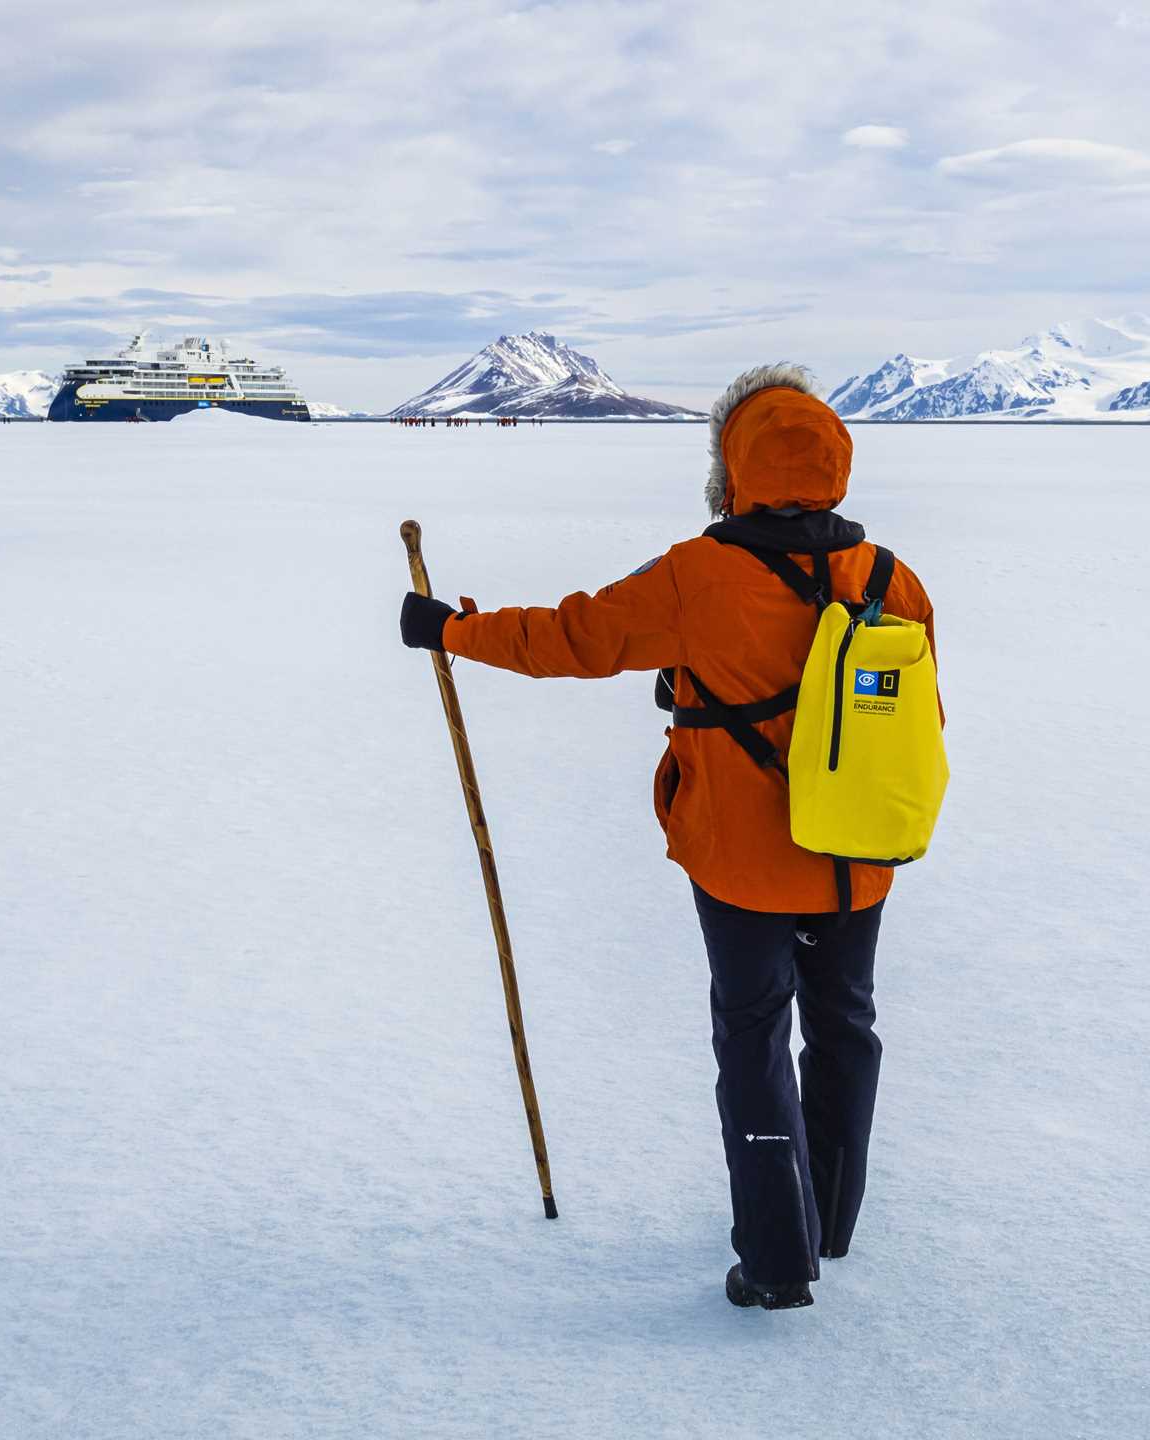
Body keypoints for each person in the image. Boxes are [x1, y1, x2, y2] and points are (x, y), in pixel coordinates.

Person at [398, 365, 939, 1311]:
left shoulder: (701, 573)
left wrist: (453, 630)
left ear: (734, 469)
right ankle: (830, 1218)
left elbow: (569, 637)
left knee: (753, 1037)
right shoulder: (893, 579)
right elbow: (905, 718)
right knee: (845, 1026)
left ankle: (777, 1260)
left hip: (743, 863)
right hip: (859, 855)